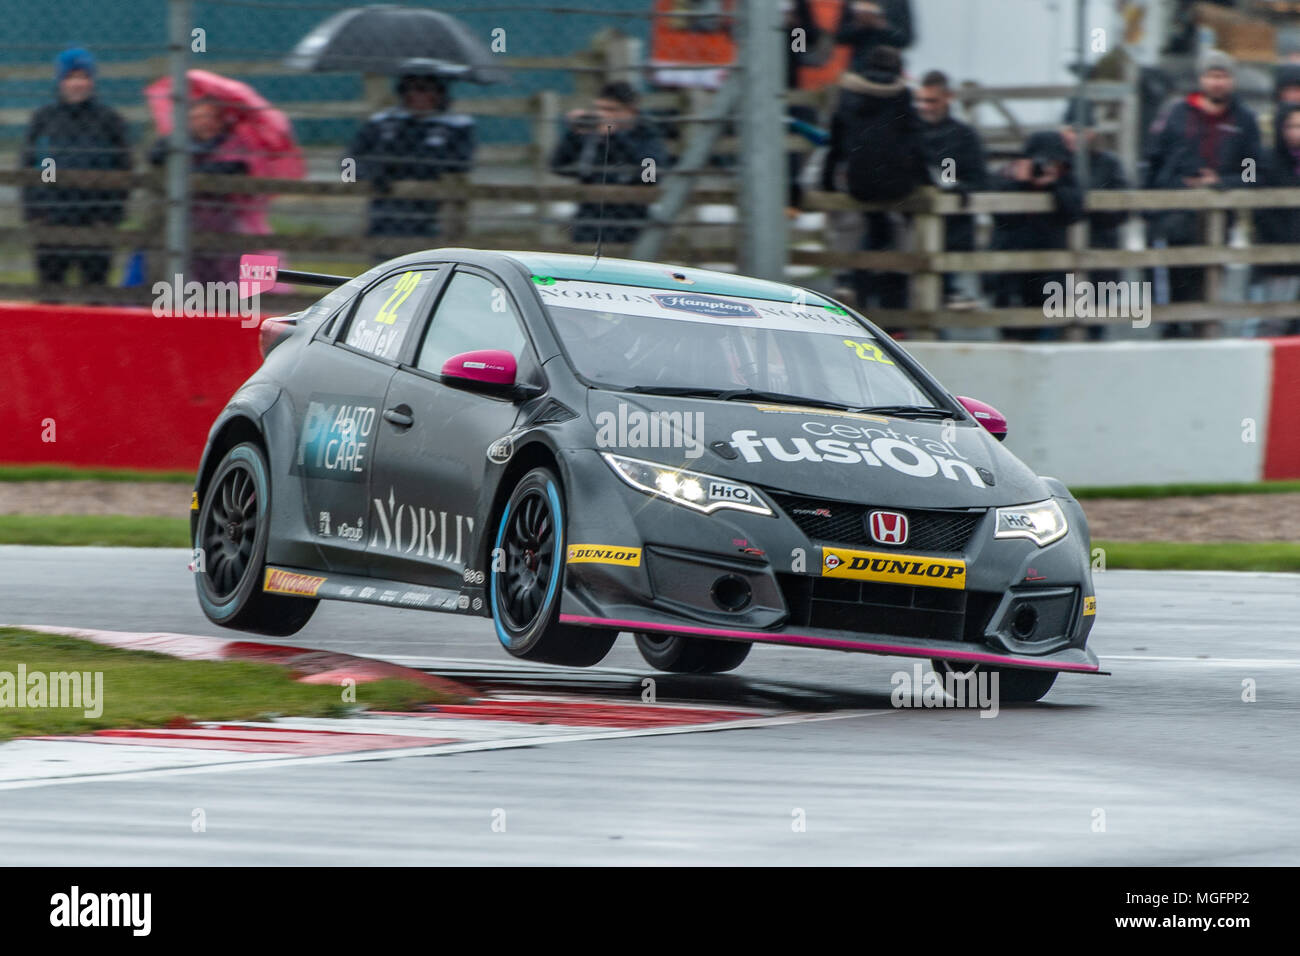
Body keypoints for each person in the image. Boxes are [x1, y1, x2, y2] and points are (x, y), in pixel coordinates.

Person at [1144, 50, 1261, 337]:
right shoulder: (1177, 114)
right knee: (1170, 279)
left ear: (1231, 81)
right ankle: (1170, 330)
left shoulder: (1243, 121)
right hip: (1174, 212)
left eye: (1223, 76)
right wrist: (1154, 202)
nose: (1217, 83)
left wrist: (1222, 181)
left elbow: (1253, 169)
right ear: (1201, 79)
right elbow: (1155, 158)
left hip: (1216, 217)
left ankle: (1203, 331)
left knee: (1208, 282)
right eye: (1212, 76)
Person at [822, 45, 931, 311]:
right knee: (895, 238)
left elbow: (835, 146)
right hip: (898, 186)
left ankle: (853, 285)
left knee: (871, 227)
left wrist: (827, 185)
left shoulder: (848, 95)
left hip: (859, 184)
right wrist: (930, 181)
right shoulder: (902, 95)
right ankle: (892, 305)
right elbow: (916, 144)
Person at [20, 47, 129, 288]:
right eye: (71, 77)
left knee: (95, 290)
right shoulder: (44, 119)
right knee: (50, 290)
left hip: (94, 219)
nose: (77, 84)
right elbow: (27, 167)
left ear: (92, 81)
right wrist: (35, 213)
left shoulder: (109, 120)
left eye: (83, 77)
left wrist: (110, 215)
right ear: (60, 81)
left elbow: (124, 168)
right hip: (52, 219)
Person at [348, 72, 476, 243]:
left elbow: (462, 163)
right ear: (403, 92)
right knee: (383, 243)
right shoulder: (383, 122)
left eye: (428, 90)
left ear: (440, 93)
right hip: (385, 201)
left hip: (433, 204)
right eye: (414, 89)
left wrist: (420, 164)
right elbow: (350, 159)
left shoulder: (456, 125)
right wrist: (367, 174)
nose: (420, 96)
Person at [149, 97, 262, 285]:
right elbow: (155, 156)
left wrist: (188, 170)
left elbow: (231, 168)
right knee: (192, 272)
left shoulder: (232, 146)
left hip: (226, 222)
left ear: (219, 121)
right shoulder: (180, 143)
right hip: (189, 221)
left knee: (228, 274)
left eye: (209, 117)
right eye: (196, 117)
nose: (203, 122)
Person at [988, 133, 1086, 340]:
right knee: (1012, 332)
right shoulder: (1007, 175)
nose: (1047, 166)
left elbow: (1075, 212)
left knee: (1048, 330)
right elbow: (1001, 216)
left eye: (1054, 162)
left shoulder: (1065, 178)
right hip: (1011, 271)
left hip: (1049, 274)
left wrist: (1053, 186)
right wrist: (1021, 183)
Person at [549, 82, 669, 245]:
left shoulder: (645, 133)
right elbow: (558, 166)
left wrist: (615, 137)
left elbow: (650, 176)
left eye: (611, 110)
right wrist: (574, 133)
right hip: (590, 215)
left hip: (630, 217)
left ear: (631, 111)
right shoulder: (593, 132)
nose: (603, 114)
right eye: (599, 108)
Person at [915, 70, 987, 309]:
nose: (925, 107)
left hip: (954, 231)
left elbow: (980, 180)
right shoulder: (911, 132)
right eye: (921, 100)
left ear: (948, 98)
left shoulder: (964, 136)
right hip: (914, 230)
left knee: (946, 304)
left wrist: (958, 188)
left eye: (932, 100)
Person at [1251, 103, 1300, 336]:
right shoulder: (1262, 159)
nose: (1296, 131)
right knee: (1269, 322)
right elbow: (1247, 183)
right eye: (1291, 125)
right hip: (1275, 257)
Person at [835, 1, 914, 77]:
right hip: (858, 68)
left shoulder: (897, 2)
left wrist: (882, 26)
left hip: (890, 69)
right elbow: (840, 37)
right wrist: (858, 25)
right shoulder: (852, 3)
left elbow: (906, 40)